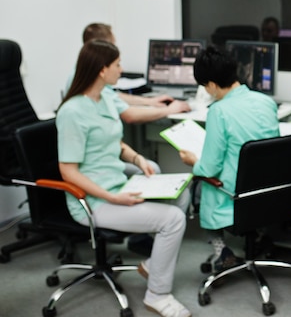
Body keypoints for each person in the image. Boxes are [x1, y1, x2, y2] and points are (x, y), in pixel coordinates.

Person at [56, 40, 192, 317]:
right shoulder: (72, 112)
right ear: (102, 70)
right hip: (94, 201)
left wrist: (137, 159)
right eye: (117, 65)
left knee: (182, 194)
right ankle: (158, 294)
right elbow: (68, 171)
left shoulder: (103, 97)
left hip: (117, 182)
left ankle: (154, 265)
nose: (122, 69)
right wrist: (112, 197)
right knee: (173, 220)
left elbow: (113, 142)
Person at [178, 45, 280, 271]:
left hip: (236, 195)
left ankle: (221, 249)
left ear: (212, 85)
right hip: (270, 193)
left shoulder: (219, 111)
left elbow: (210, 168)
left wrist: (193, 161)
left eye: (205, 86)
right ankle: (260, 237)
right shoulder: (266, 102)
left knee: (200, 186)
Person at [66, 23, 191, 123]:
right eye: (112, 45)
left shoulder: (85, 72)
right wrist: (170, 110)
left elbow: (113, 96)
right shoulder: (89, 80)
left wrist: (149, 101)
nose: (121, 70)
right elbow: (129, 115)